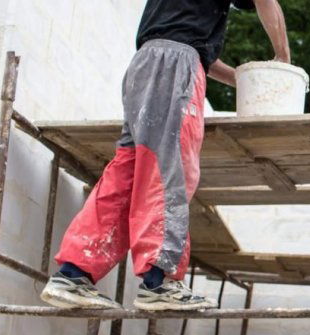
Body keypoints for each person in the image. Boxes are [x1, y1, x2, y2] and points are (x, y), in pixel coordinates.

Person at [41, 0, 290, 310]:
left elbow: (189, 41)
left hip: (146, 64)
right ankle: (160, 282)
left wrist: (242, 79)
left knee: (127, 176)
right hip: (175, 67)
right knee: (170, 168)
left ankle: (73, 274)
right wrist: (282, 60)